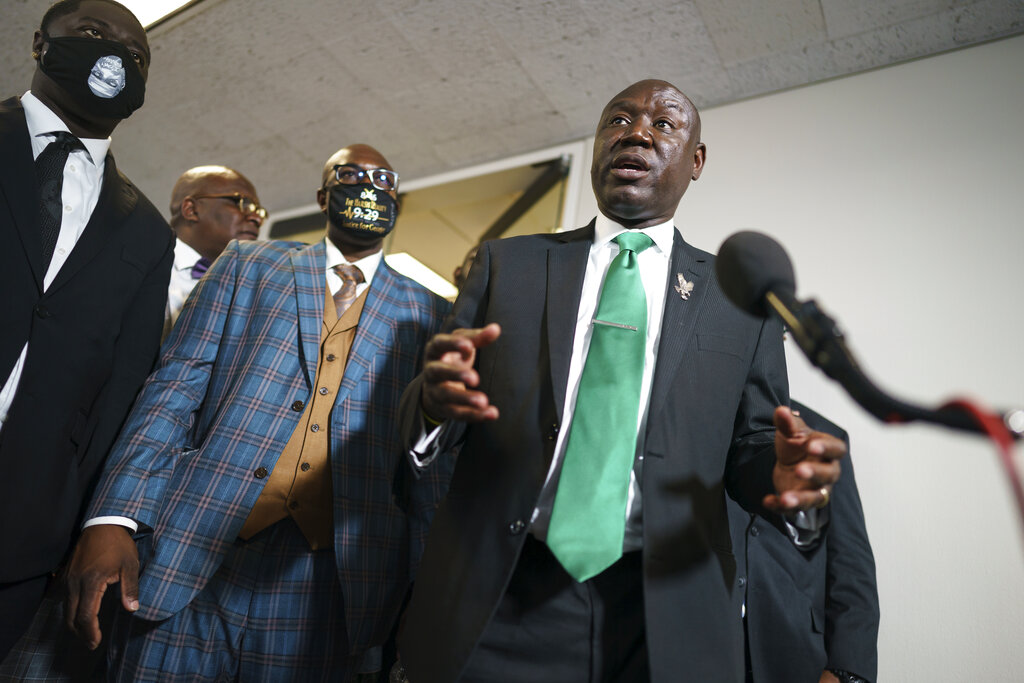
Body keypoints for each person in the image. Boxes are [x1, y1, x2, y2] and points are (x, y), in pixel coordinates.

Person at [393, 79, 847, 683]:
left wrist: (781, 474)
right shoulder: (510, 264)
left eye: (664, 125)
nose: (636, 133)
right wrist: (431, 403)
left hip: (663, 616)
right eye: (619, 121)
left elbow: (752, 445)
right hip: (498, 597)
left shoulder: (740, 302)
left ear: (697, 161)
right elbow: (440, 404)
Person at [62, 144, 452, 681]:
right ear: (323, 196)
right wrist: (114, 516)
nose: (368, 185)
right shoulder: (249, 265)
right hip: (192, 548)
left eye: (383, 177)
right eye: (351, 174)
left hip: (329, 586)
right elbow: (172, 392)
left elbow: (426, 466)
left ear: (396, 199)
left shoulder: (432, 312)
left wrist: (427, 592)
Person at [0, 0, 172, 661]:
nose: (120, 55)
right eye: (95, 34)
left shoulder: (147, 232)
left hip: (18, 539)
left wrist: (88, 523)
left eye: (139, 53)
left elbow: (121, 393)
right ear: (41, 44)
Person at [729, 400, 879, 683]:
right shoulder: (686, 430)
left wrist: (842, 672)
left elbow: (852, 568)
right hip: (700, 649)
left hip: (799, 659)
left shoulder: (824, 438)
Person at [164, 165, 265, 338]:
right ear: (191, 210)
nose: (256, 218)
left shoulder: (251, 285)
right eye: (242, 203)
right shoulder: (144, 260)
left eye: (258, 211)